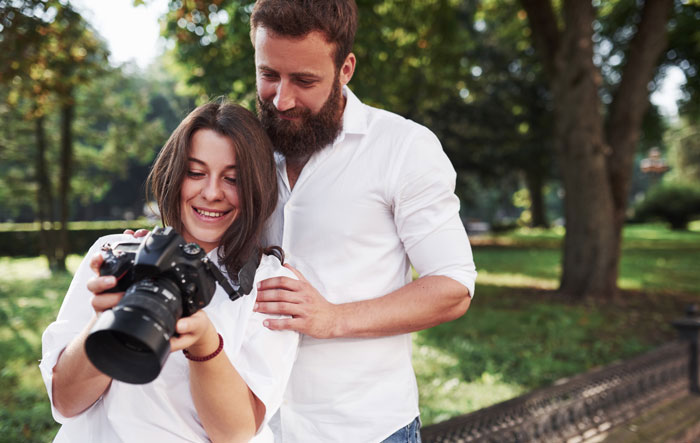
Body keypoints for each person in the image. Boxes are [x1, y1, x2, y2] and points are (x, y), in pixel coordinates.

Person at [248, 1, 478, 442]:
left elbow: (452, 287)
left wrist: (332, 318)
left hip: (366, 429)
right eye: (269, 75)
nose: (282, 99)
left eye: (305, 80)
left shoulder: (404, 148)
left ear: (346, 68)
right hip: (255, 428)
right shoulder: (243, 148)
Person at [39, 102, 299, 443]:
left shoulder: (268, 285)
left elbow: (234, 434)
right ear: (175, 174)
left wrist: (205, 342)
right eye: (196, 172)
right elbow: (66, 401)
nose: (211, 192)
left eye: (232, 179)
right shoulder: (116, 254)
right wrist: (106, 317)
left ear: (256, 187)